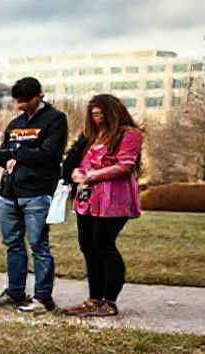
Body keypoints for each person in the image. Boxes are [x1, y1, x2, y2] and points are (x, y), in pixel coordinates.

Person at [0, 77, 68, 312]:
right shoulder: (15, 124)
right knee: (12, 243)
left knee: (38, 244)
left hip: (37, 192)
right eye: (18, 101)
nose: (20, 105)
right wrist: (18, 153)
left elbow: (50, 154)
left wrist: (17, 153)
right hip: (10, 192)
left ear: (40, 96)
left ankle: (43, 298)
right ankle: (15, 292)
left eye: (25, 101)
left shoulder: (55, 119)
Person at [61, 94, 144, 317]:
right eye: (93, 114)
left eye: (100, 113)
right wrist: (78, 173)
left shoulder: (130, 134)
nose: (96, 118)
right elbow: (80, 163)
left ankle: (109, 302)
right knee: (87, 246)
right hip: (88, 198)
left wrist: (92, 175)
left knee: (103, 244)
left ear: (112, 112)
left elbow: (124, 165)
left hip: (113, 198)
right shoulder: (93, 136)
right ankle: (94, 299)